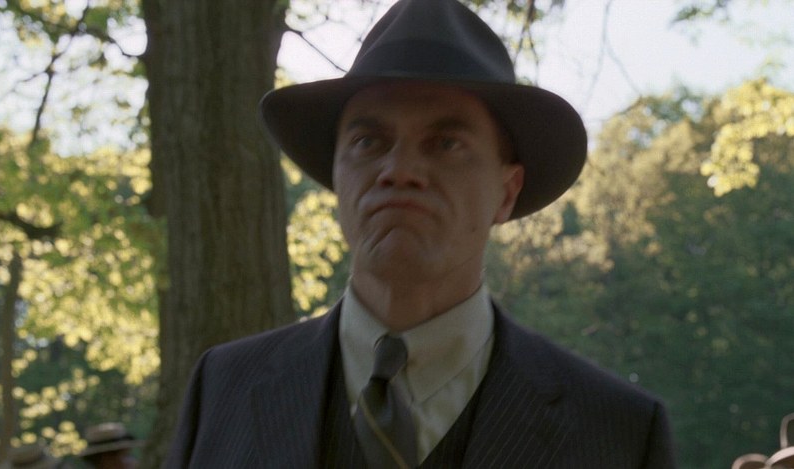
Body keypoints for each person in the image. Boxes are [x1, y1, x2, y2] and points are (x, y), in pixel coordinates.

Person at [165, 0, 676, 467]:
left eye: (446, 143)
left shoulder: (619, 432)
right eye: (368, 142)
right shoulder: (223, 389)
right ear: (336, 175)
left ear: (506, 192)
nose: (399, 170)